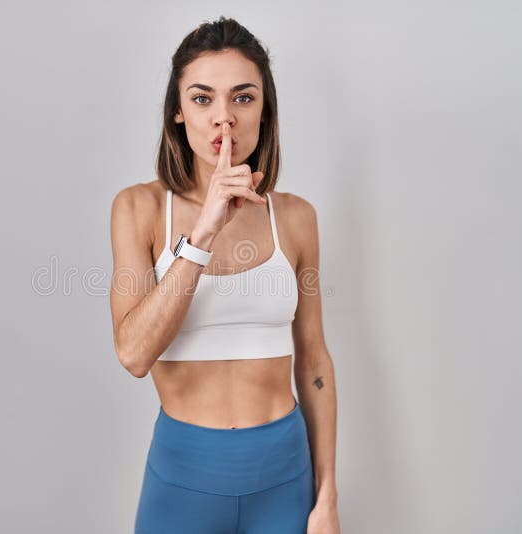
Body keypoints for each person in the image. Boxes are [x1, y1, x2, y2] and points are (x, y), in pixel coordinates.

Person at [109, 16, 341, 534]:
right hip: (182, 479)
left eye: (242, 97)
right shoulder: (139, 209)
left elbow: (315, 360)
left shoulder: (297, 218)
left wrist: (327, 497)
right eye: (202, 98)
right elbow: (134, 354)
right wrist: (204, 232)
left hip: (285, 476)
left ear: (265, 109)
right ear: (176, 112)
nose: (223, 119)